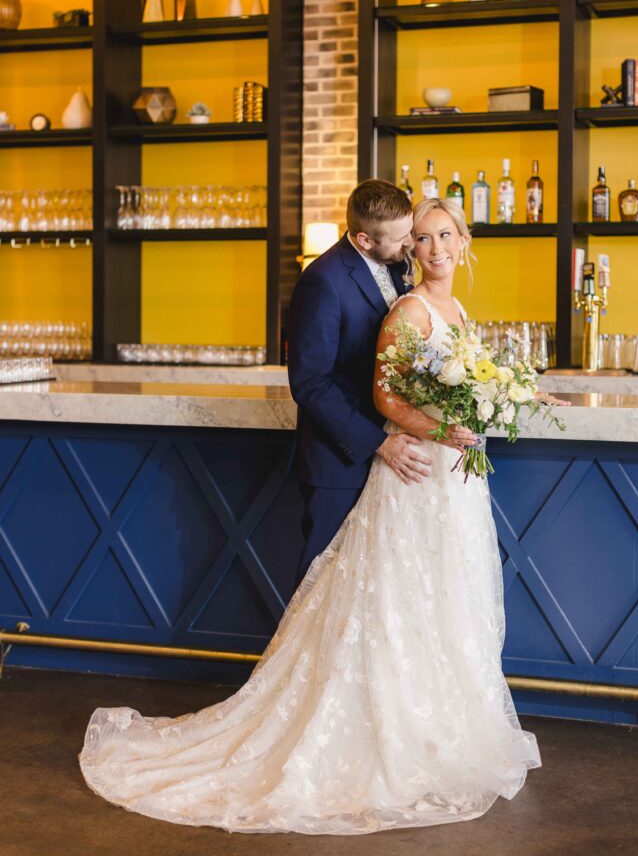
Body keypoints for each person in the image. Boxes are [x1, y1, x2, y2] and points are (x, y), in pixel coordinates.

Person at [79, 195, 568, 835]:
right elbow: (315, 382)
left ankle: (427, 723)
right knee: (353, 610)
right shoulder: (333, 284)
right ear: (371, 241)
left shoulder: (414, 285)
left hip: (431, 475)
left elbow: (438, 372)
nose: (418, 249)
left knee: (429, 601)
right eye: (412, 239)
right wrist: (398, 436)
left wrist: (512, 392)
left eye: (432, 236)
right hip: (357, 463)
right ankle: (338, 732)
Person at [287, 179, 474, 585]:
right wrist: (379, 442)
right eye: (403, 236)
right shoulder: (323, 281)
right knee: (323, 587)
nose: (412, 243)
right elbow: (310, 382)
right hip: (339, 461)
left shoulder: (396, 266)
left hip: (394, 458)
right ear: (363, 239)